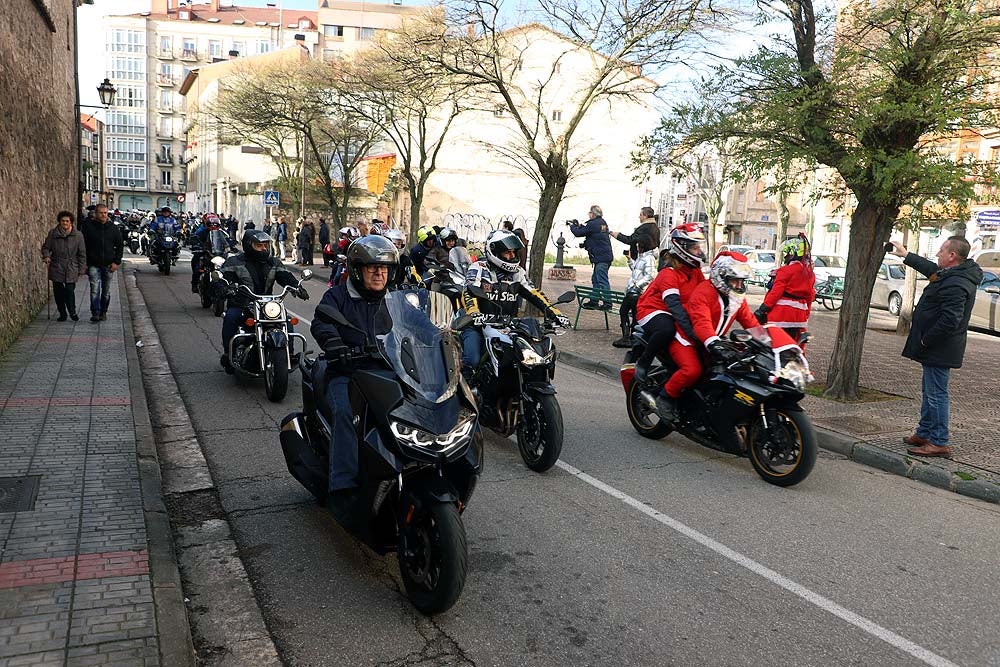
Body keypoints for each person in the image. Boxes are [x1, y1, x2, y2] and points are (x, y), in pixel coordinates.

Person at [311, 235, 398, 509]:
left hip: (390, 371)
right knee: (346, 414)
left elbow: (419, 326)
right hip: (349, 372)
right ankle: (343, 485)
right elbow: (322, 322)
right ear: (357, 270)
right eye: (372, 267)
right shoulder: (338, 296)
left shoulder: (397, 299)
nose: (378, 273)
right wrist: (336, 345)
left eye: (383, 268)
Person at [889, 236, 982, 458]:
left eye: (941, 250)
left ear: (952, 256)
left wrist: (926, 340)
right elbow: (930, 268)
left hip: (939, 348)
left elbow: (951, 319)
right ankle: (924, 433)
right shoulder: (952, 273)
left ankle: (939, 441)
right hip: (935, 347)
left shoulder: (957, 282)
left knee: (937, 395)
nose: (937, 254)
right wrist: (906, 255)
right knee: (929, 391)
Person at [654, 253, 759, 420]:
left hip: (711, 341)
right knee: (692, 371)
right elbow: (701, 323)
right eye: (734, 280)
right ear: (721, 277)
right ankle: (666, 396)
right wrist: (714, 343)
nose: (739, 285)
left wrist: (768, 341)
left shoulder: (737, 298)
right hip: (687, 339)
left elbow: (750, 321)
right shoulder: (703, 292)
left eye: (741, 281)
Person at [459, 230, 570, 381]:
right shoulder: (479, 268)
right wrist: (474, 313)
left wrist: (555, 313)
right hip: (478, 324)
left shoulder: (519, 273)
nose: (512, 256)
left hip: (507, 326)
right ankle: (463, 399)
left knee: (524, 357)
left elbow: (534, 294)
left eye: (514, 252)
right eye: (507, 253)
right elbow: (468, 293)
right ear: (494, 252)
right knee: (472, 360)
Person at [218, 230, 307, 372]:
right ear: (249, 245)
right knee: (230, 317)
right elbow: (224, 277)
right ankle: (229, 354)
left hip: (266, 305)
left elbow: (285, 276)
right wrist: (223, 286)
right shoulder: (235, 262)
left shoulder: (273, 262)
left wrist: (296, 286)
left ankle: (288, 355)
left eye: (266, 245)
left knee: (287, 322)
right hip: (242, 304)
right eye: (259, 245)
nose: (264, 249)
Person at [632, 224, 707, 384]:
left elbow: (705, 296)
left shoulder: (695, 272)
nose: (699, 252)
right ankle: (644, 361)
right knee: (667, 329)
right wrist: (691, 331)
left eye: (699, 247)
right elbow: (674, 306)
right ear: (682, 248)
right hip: (653, 309)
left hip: (675, 311)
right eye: (694, 248)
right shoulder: (669, 273)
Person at [754, 234, 815, 344]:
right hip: (799, 318)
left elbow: (775, 293)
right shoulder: (809, 274)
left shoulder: (785, 271)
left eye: (787, 253)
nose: (786, 256)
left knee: (774, 345)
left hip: (780, 316)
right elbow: (810, 296)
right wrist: (806, 315)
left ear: (793, 253)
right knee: (794, 346)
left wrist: (762, 310)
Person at [79, 204, 124, 323]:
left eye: (105, 213)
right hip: (93, 263)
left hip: (109, 264)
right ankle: (95, 312)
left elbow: (119, 245)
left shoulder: (113, 228)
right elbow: (83, 246)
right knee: (94, 289)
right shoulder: (88, 227)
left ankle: (104, 311)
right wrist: (85, 263)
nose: (103, 215)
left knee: (106, 291)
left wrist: (116, 262)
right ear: (96, 214)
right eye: (101, 213)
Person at [41, 211, 87, 322]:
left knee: (69, 290)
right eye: (62, 221)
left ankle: (72, 311)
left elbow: (82, 253)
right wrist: (46, 256)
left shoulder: (78, 235)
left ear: (71, 222)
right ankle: (62, 313)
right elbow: (46, 248)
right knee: (58, 291)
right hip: (57, 265)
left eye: (67, 221)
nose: (65, 223)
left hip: (72, 266)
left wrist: (82, 269)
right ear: (59, 222)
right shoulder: (53, 234)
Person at [612, 235, 658, 348]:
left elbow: (650, 275)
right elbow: (636, 270)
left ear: (643, 245)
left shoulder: (649, 258)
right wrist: (629, 260)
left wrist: (637, 286)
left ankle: (629, 337)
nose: (636, 245)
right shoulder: (641, 256)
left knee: (626, 312)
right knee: (631, 313)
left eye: (638, 244)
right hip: (632, 290)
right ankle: (629, 336)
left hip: (637, 292)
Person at [569, 205, 614, 309]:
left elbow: (578, 232)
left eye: (589, 213)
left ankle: (608, 303)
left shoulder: (593, 224)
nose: (588, 215)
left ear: (593, 214)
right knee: (596, 280)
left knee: (601, 280)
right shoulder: (601, 222)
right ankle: (594, 301)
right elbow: (595, 237)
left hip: (601, 258)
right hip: (603, 256)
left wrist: (572, 226)